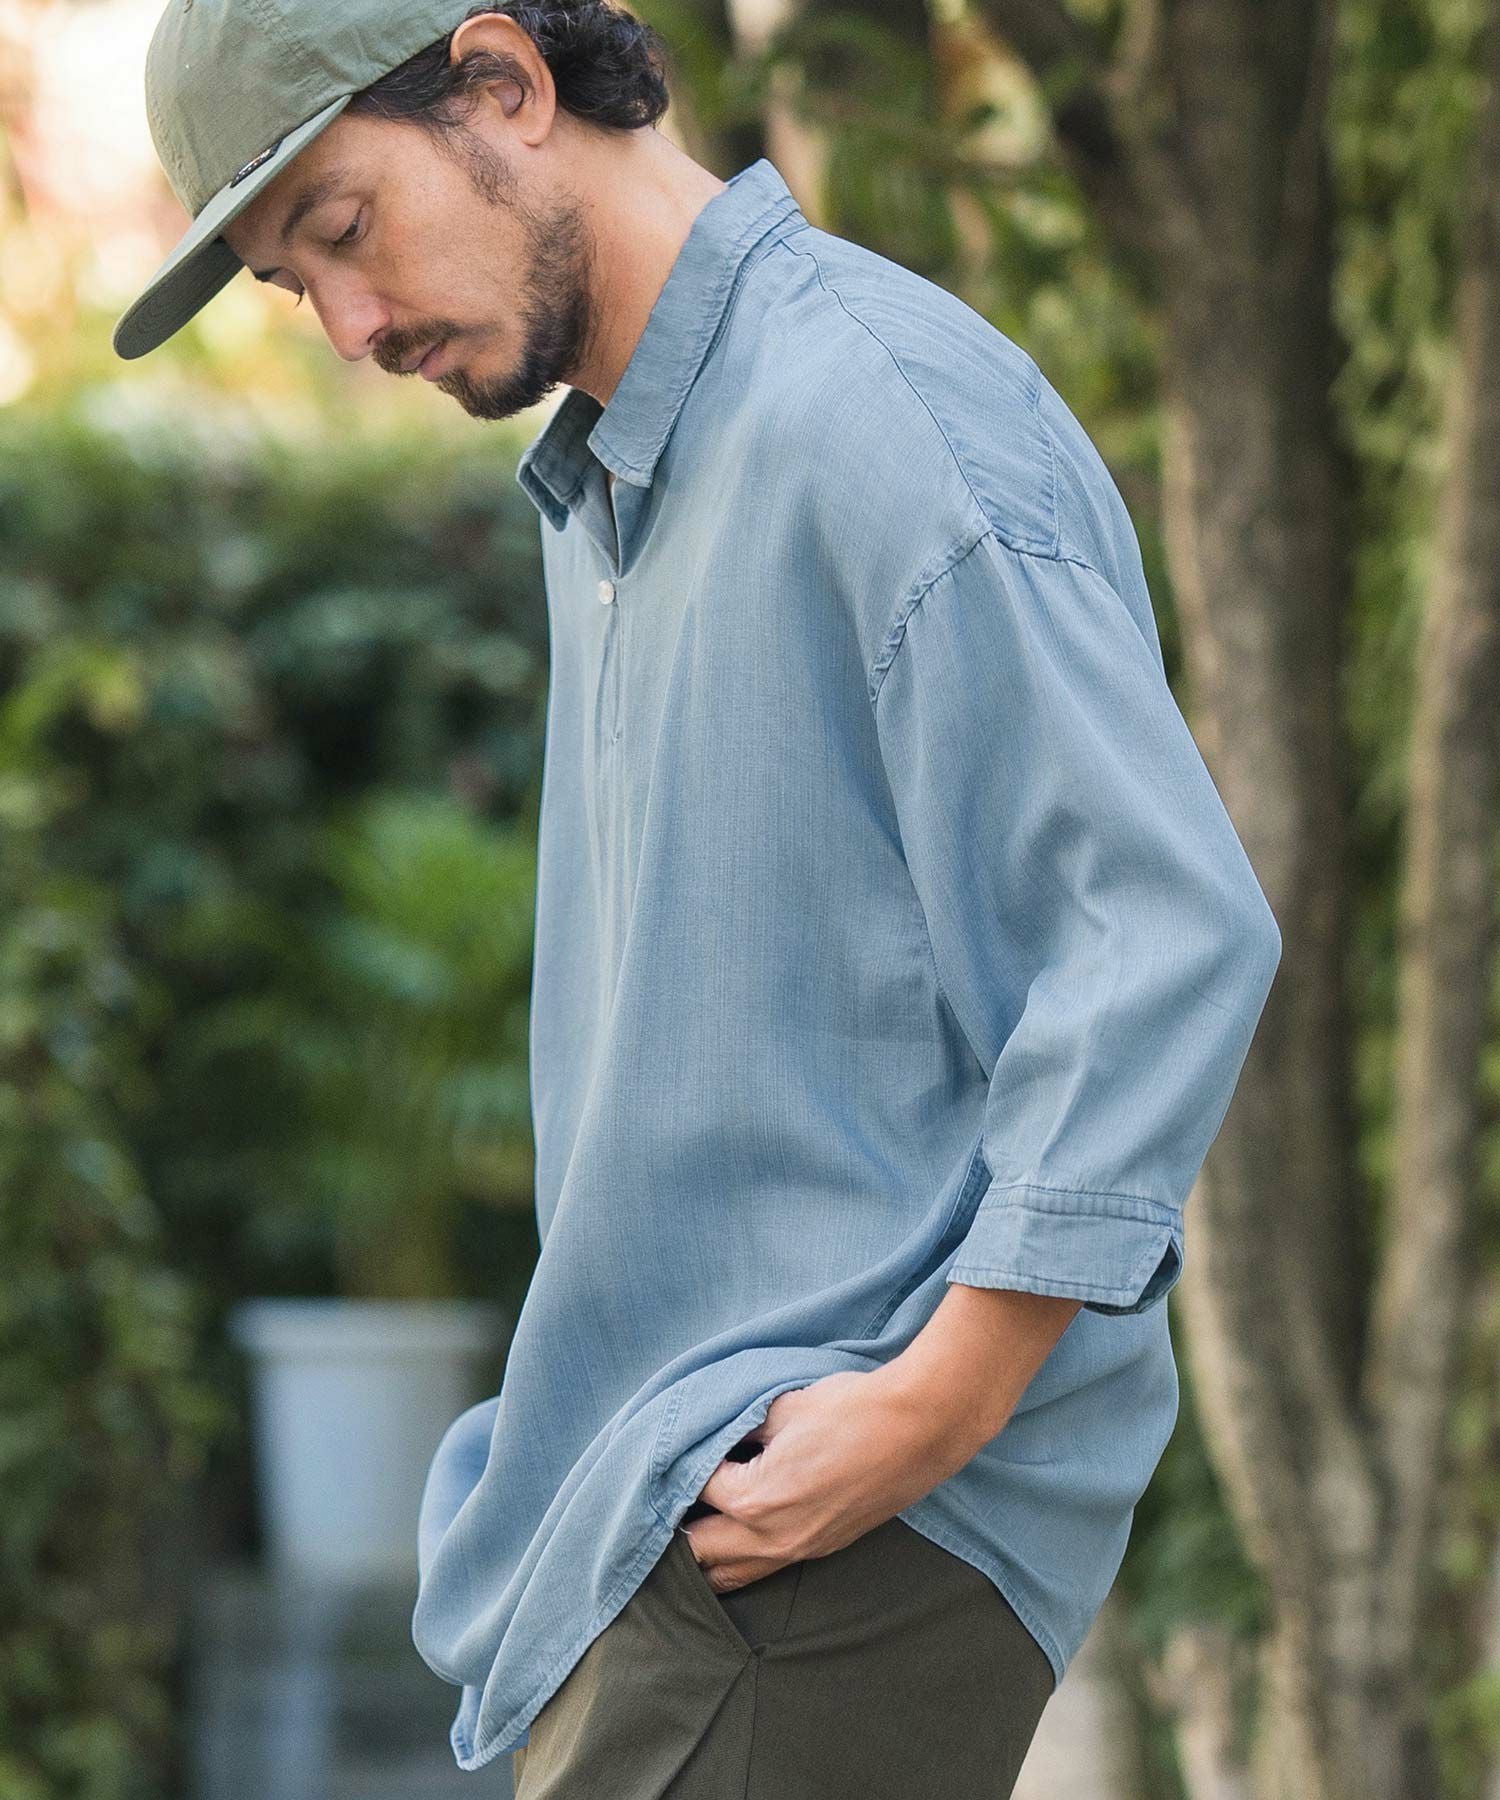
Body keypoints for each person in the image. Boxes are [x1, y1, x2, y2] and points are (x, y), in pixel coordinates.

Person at [115, 1, 1284, 1793]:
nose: (350, 328)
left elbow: (1160, 926)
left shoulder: (876, 421)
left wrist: (943, 1395)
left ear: (505, 83)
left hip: (824, 1528)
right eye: (295, 286)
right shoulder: (607, 482)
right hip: (651, 1520)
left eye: (345, 228)